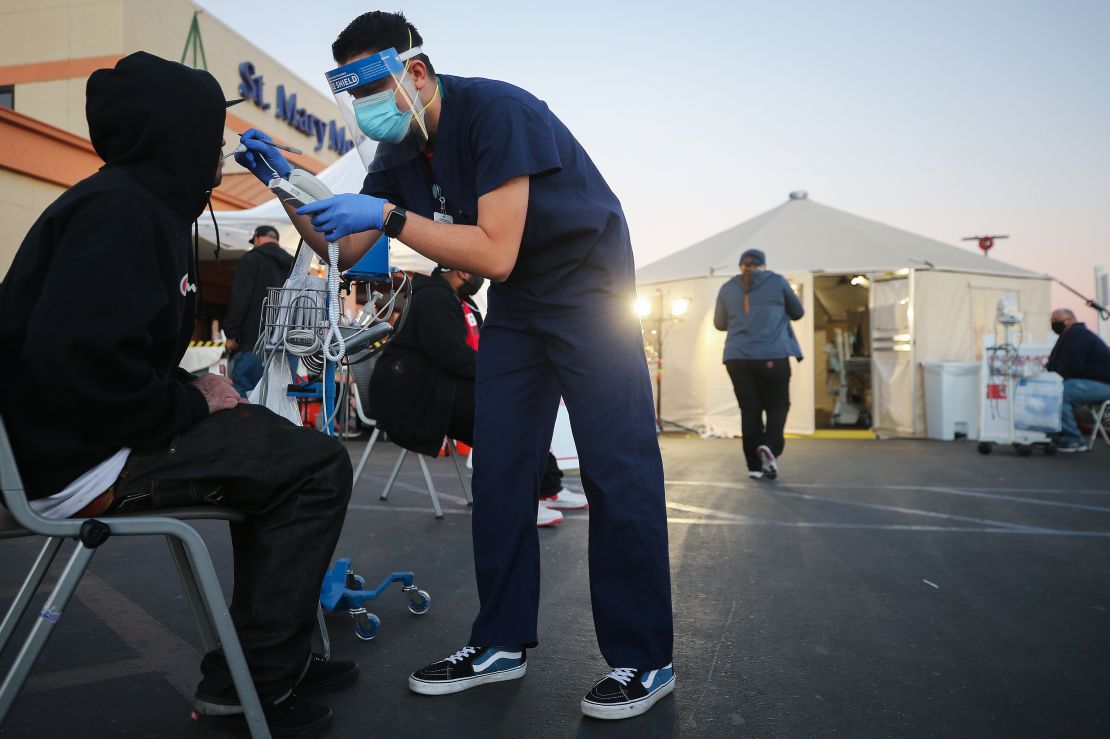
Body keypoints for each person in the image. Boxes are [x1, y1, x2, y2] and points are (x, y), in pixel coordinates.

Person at [234, 11, 674, 720]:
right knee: (497, 466)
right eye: (353, 95)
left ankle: (645, 657)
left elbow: (492, 249)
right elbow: (343, 251)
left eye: (373, 86)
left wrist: (388, 219)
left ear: (415, 72)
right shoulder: (400, 153)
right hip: (524, 300)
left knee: (615, 466)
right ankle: (500, 641)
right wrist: (288, 187)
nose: (365, 108)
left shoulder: (497, 111)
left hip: (589, 285)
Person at [0, 52, 355, 736]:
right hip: (75, 460)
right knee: (314, 466)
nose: (219, 149)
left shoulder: (134, 204)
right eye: (211, 132)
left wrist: (192, 386)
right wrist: (193, 404)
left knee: (277, 457)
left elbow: (108, 352)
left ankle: (268, 660)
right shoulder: (121, 211)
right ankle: (251, 680)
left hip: (80, 439)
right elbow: (73, 360)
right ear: (175, 134)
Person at [369, 265, 588, 527]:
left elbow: (475, 351)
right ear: (464, 272)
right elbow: (452, 356)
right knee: (502, 417)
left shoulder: (456, 300)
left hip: (432, 388)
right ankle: (512, 503)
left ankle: (547, 487)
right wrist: (502, 373)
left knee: (518, 409)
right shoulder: (433, 298)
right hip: (410, 400)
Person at [714, 249, 805, 480]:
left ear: (740, 266)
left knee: (750, 410)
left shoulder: (727, 287)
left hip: (737, 358)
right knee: (777, 404)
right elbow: (798, 312)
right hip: (772, 356)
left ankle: (754, 466)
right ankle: (769, 446)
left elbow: (719, 323)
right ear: (763, 265)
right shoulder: (776, 282)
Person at [223, 224, 295, 397]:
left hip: (253, 345)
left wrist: (231, 333)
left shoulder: (251, 259)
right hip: (287, 348)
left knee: (244, 400)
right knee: (279, 403)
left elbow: (241, 299)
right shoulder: (294, 265)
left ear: (257, 239)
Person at [1045, 308, 1110, 452]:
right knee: (1051, 391)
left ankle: (1073, 439)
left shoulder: (1079, 336)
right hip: (1090, 382)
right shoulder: (1067, 336)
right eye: (1052, 321)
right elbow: (1054, 364)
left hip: (1104, 384)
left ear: (1069, 320)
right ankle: (1056, 435)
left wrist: (1052, 378)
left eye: (1056, 320)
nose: (1053, 323)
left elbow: (1071, 366)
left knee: (1060, 394)